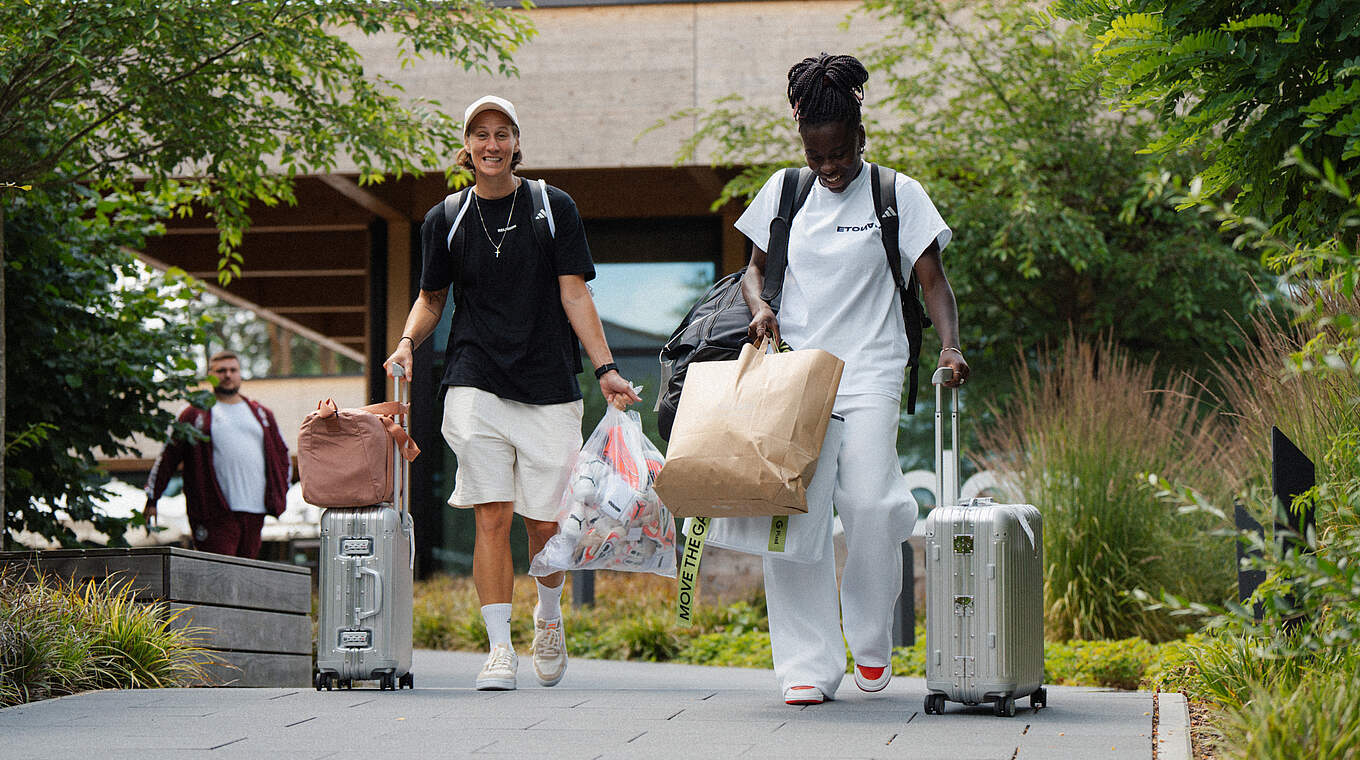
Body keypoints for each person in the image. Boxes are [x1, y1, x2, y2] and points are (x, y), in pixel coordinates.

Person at [384, 95, 641, 692]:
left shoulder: (552, 207)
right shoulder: (444, 219)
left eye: (502, 134)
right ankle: (499, 651)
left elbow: (575, 294)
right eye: (481, 134)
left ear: (517, 143)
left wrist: (603, 368)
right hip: (474, 379)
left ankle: (547, 620)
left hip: (549, 383)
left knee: (544, 525)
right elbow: (431, 299)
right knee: (491, 514)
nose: (492, 144)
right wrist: (406, 344)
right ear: (466, 148)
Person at [736, 53, 970, 706]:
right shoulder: (785, 191)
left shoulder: (896, 193)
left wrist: (950, 346)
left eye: (839, 155)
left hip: (870, 371)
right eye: (818, 158)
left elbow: (934, 283)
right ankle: (807, 662)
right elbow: (752, 270)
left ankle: (870, 638)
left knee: (867, 504)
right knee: (795, 519)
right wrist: (760, 308)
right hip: (798, 376)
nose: (829, 168)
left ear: (859, 137)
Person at [144, 350, 291, 559]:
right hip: (212, 512)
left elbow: (282, 455)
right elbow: (167, 457)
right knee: (216, 576)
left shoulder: (262, 414)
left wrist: (279, 493)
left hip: (254, 511)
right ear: (210, 375)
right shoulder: (193, 414)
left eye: (233, 370)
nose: (228, 375)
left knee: (246, 576)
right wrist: (152, 498)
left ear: (240, 374)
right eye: (221, 370)